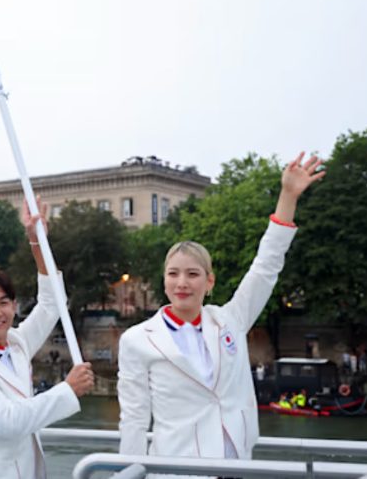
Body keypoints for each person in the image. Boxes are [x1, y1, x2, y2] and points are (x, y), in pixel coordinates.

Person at [117, 152, 324, 461]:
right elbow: (133, 419)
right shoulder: (136, 340)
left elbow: (266, 266)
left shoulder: (230, 320)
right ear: (164, 281)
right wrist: (128, 471)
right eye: (173, 274)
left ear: (209, 282)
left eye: (192, 274)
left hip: (237, 462)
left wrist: (287, 196)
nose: (182, 282)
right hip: (178, 468)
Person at [0, 206, 94, 479]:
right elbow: (11, 422)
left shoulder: (16, 343)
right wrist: (68, 389)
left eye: (3, 303)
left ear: (14, 306)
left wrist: (37, 242)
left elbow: (51, 304)